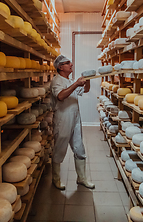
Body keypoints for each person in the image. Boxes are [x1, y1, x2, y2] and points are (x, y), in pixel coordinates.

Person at [50, 54, 95, 190]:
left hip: (75, 117)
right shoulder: (57, 81)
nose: (71, 65)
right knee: (60, 148)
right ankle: (56, 179)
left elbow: (85, 90)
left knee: (79, 147)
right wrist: (76, 84)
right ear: (60, 67)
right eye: (67, 63)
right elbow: (60, 96)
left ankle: (82, 178)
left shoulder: (70, 81)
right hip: (63, 118)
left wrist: (87, 80)